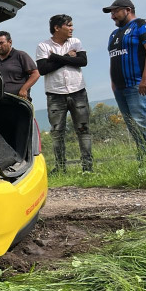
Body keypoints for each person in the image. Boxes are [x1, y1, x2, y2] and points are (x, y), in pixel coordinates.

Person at [103, 0, 146, 162]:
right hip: (121, 88)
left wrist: (145, 78)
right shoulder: (114, 34)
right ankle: (143, 161)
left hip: (139, 85)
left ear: (127, 9)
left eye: (115, 11)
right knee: (133, 127)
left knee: (143, 124)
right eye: (111, 12)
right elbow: (114, 58)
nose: (112, 15)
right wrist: (113, 83)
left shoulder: (143, 25)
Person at [36, 14, 92, 173]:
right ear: (57, 28)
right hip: (55, 94)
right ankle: (61, 168)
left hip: (78, 91)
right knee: (57, 132)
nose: (72, 28)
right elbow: (43, 69)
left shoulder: (76, 42)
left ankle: (87, 167)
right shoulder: (43, 46)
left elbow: (83, 62)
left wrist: (55, 59)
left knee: (84, 130)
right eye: (69, 25)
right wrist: (67, 57)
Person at [0, 31, 40, 100]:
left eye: (1, 43)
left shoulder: (20, 55)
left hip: (17, 101)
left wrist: (24, 89)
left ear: (10, 42)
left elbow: (36, 73)